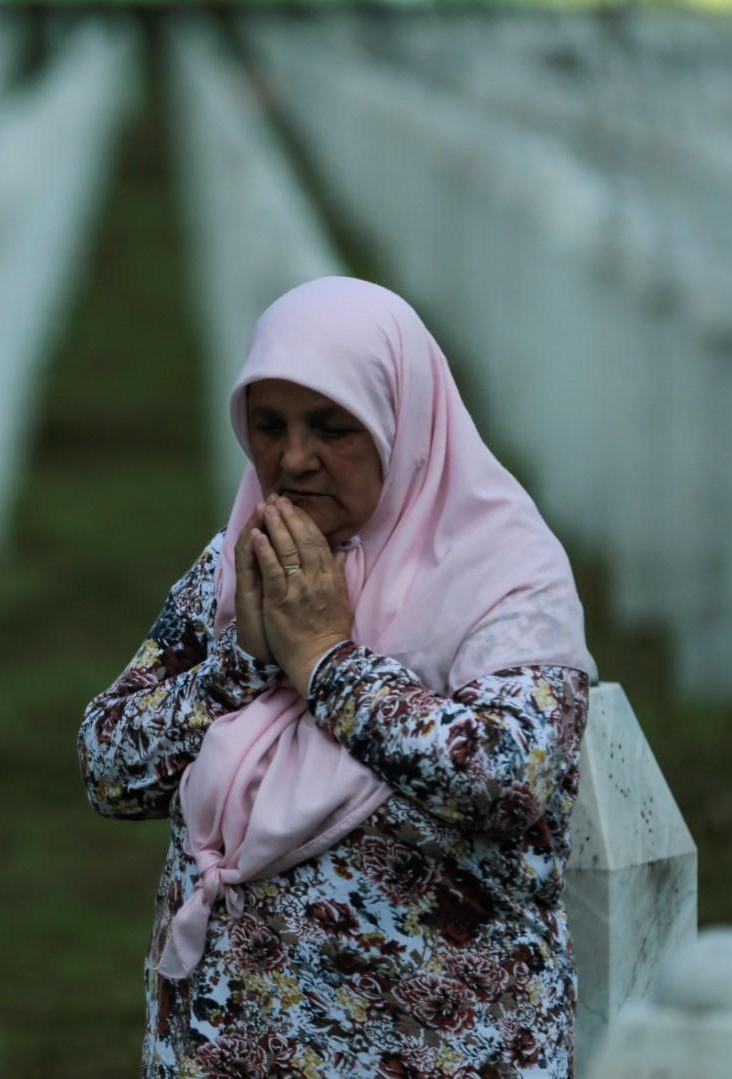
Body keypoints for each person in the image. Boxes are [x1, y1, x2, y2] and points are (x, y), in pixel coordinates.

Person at [77, 277, 597, 1078]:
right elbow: (108, 768)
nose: (291, 459)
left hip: (434, 1053)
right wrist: (243, 663)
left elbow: (506, 779)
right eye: (268, 425)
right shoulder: (237, 567)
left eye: (331, 427)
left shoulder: (504, 578)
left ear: (402, 421)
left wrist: (325, 661)